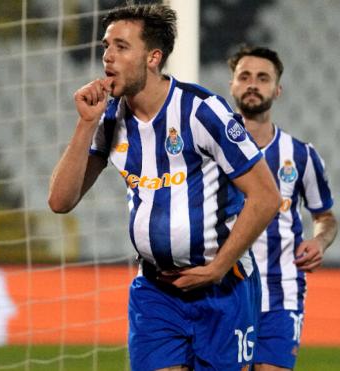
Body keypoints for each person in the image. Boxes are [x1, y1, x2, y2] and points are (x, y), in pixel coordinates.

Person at [48, 3, 280, 371]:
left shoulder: (203, 111)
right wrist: (84, 125)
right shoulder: (108, 118)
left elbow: (267, 197)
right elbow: (60, 201)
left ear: (153, 57)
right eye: (106, 46)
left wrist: (219, 266)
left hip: (223, 289)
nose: (107, 56)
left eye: (122, 47)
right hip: (156, 292)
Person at [227, 45, 339, 371]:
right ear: (232, 85)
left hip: (281, 290)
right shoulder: (211, 148)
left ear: (277, 89)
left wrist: (319, 241)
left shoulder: (301, 155)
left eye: (263, 78)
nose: (252, 84)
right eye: (244, 76)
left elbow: (326, 217)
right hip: (225, 289)